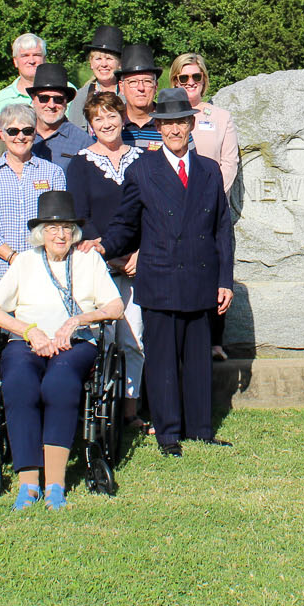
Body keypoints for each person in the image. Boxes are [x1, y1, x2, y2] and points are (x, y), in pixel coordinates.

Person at [87, 88, 235, 456]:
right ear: (159, 127)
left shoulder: (209, 170)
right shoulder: (142, 170)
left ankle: (201, 428)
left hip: (201, 278)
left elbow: (222, 229)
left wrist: (225, 280)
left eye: (180, 123)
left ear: (190, 124)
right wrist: (104, 245)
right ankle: (168, 433)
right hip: (160, 278)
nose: (174, 130)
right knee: (164, 361)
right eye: (166, 124)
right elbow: (126, 224)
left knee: (198, 360)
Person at [0, 191, 124, 510]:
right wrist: (30, 332)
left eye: (67, 227)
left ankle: (55, 484)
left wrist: (77, 320)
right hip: (26, 343)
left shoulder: (89, 260)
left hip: (75, 345)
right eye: (52, 227)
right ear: (40, 232)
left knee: (59, 383)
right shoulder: (25, 262)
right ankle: (29, 484)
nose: (60, 234)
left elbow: (115, 306)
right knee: (18, 383)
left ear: (75, 231)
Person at [67, 91, 147, 428]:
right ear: (90, 124)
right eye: (98, 118)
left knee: (134, 338)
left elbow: (152, 213)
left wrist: (140, 253)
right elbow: (81, 218)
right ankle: (101, 412)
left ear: (122, 117)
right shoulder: (80, 163)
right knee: (102, 339)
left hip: (139, 264)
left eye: (112, 115)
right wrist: (110, 256)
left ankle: (130, 412)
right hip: (98, 265)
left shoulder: (144, 161)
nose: (106, 123)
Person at [169, 52, 240, 360]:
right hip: (171, 208)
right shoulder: (167, 114)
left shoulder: (220, 117)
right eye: (183, 78)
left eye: (196, 77)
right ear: (174, 81)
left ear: (204, 80)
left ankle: (214, 341)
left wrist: (205, 200)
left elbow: (229, 163)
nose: (190, 83)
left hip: (210, 208)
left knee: (213, 269)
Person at [0, 104, 69, 295]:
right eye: (13, 131)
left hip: (43, 271)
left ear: (35, 134)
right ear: (1, 134)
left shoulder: (53, 173)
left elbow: (61, 223)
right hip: (0, 272)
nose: (20, 136)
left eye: (27, 130)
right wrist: (12, 257)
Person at [32, 63, 90, 164]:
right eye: (44, 98)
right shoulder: (21, 136)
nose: (51, 105)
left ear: (66, 101)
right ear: (33, 99)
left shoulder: (83, 142)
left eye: (58, 99)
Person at [69, 25, 125, 128]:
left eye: (109, 59)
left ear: (120, 64)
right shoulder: (81, 97)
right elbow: (75, 134)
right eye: (98, 59)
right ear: (91, 63)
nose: (103, 64)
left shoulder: (129, 94)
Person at [116, 44, 164, 150]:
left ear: (156, 87)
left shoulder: (171, 124)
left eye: (147, 81)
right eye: (133, 82)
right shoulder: (110, 125)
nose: (141, 88)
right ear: (121, 87)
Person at [0, 33, 51, 114]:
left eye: (37, 55)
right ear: (15, 61)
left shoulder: (66, 92)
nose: (31, 61)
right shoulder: (1, 99)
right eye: (25, 56)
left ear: (44, 59)